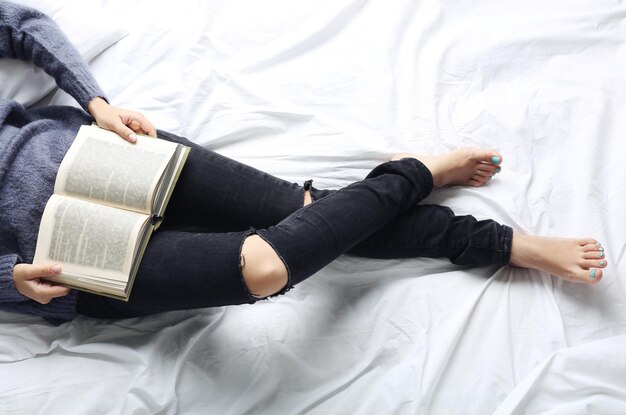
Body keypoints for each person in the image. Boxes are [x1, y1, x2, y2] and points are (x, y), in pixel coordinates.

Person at [0, 2, 607, 323]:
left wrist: (96, 101)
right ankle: (414, 173)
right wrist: (10, 282)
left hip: (90, 155)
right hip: (58, 259)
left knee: (309, 211)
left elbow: (20, 22)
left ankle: (500, 244)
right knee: (265, 267)